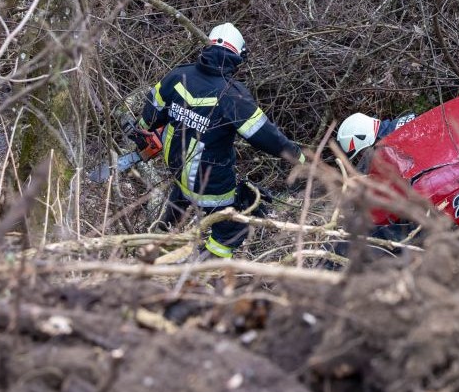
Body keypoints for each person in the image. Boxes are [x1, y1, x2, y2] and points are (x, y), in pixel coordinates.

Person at [138, 22, 304, 259]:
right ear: (237, 56)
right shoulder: (232, 95)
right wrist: (298, 156)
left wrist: (150, 131)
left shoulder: (177, 76)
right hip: (211, 184)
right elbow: (266, 136)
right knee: (232, 231)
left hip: (177, 169)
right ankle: (201, 270)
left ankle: (158, 246)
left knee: (179, 200)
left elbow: (148, 119)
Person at [335, 112, 399, 173]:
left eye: (361, 153)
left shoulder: (393, 144)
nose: (363, 159)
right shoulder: (394, 128)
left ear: (367, 140)